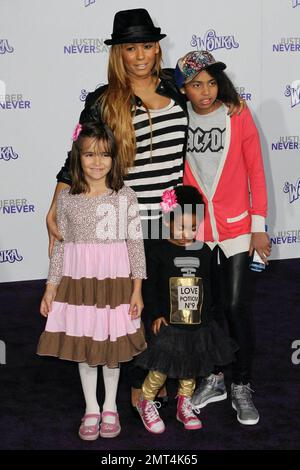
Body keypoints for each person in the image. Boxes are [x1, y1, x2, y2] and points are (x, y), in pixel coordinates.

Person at [45, 9, 242, 408]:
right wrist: (55, 207)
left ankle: (168, 370)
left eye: (147, 46)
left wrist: (232, 105)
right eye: (130, 47)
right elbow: (76, 157)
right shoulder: (103, 100)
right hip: (123, 221)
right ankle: (139, 382)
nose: (140, 55)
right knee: (131, 303)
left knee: (172, 300)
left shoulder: (175, 85)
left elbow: (211, 98)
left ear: (157, 49)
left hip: (174, 222)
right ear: (118, 52)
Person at [176, 50, 271, 425]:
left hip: (235, 227)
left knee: (234, 306)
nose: (206, 91)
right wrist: (175, 223)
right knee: (206, 310)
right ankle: (214, 377)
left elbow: (256, 171)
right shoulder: (176, 118)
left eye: (212, 83)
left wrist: (259, 226)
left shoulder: (238, 114)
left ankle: (242, 383)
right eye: (197, 84)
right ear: (183, 89)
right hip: (197, 230)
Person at [37, 121, 147, 440]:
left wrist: (137, 289)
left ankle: (110, 406)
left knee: (111, 346)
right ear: (77, 157)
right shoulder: (67, 198)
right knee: (85, 346)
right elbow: (60, 246)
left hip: (115, 284)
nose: (97, 162)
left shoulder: (124, 195)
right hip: (78, 285)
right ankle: (91, 408)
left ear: (115, 158)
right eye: (89, 154)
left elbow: (135, 243)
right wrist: (50, 287)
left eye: (104, 154)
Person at [134, 186, 237, 434]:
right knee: (160, 370)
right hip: (169, 325)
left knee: (190, 370)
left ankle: (184, 404)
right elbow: (151, 287)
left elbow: (211, 286)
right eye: (180, 227)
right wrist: (156, 314)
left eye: (192, 228)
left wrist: (211, 316)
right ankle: (145, 401)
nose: (186, 234)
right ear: (168, 221)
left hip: (197, 324)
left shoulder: (205, 251)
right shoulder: (158, 251)